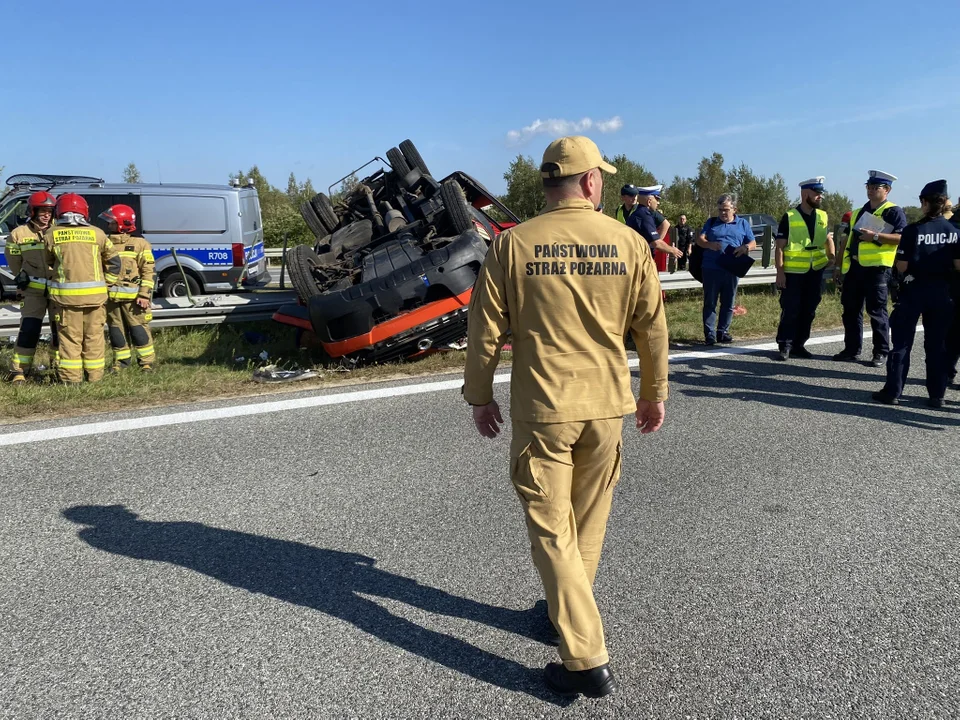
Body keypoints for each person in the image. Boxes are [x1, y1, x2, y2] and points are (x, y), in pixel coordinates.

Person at [462, 135, 669, 699]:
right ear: (591, 181)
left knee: (552, 528)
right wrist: (654, 392)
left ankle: (584, 657)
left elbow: (484, 330)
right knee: (587, 523)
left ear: (549, 184)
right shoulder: (628, 242)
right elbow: (651, 326)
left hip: (544, 407)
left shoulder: (513, 245)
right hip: (606, 406)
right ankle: (564, 613)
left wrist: (480, 396)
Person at [872, 180, 959, 407]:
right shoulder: (955, 231)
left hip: (914, 290)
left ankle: (893, 392)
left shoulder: (913, 231)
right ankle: (937, 395)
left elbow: (901, 266)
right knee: (937, 344)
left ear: (924, 202)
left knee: (902, 343)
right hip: (943, 293)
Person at [832, 170, 907, 367]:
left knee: (877, 311)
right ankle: (851, 349)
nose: (871, 191)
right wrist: (838, 266)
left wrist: (875, 236)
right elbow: (845, 241)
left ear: (887, 190)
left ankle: (881, 351)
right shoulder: (858, 212)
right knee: (850, 310)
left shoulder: (893, 211)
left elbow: (901, 238)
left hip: (877, 270)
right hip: (855, 267)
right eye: (869, 187)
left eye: (876, 188)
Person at [44, 193, 121, 384]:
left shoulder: (51, 234)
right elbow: (114, 263)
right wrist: (107, 284)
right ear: (85, 212)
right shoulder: (98, 234)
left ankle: (71, 381)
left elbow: (47, 262)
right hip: (96, 299)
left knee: (70, 340)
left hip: (66, 301)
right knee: (94, 338)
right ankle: (95, 378)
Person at [774, 177, 835, 360]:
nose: (819, 196)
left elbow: (827, 239)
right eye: (816, 193)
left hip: (815, 271)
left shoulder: (822, 215)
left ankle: (799, 344)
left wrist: (831, 256)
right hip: (793, 273)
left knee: (809, 310)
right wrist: (780, 272)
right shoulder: (790, 216)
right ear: (805, 193)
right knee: (791, 309)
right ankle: (785, 344)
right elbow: (779, 247)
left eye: (820, 193)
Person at [6, 191, 58, 383]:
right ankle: (19, 371)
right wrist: (21, 282)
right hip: (33, 291)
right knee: (29, 329)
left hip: (57, 291)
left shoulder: (59, 231)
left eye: (49, 211)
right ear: (32, 211)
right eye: (42, 211)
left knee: (59, 330)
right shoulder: (18, 234)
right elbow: (14, 262)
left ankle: (58, 368)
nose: (46, 215)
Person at [99, 205, 157, 372]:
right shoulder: (105, 242)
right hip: (110, 297)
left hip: (134, 299)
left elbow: (148, 270)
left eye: (111, 223)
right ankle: (121, 363)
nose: (108, 226)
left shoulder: (140, 243)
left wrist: (144, 295)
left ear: (122, 224)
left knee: (139, 329)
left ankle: (146, 362)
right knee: (116, 331)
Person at [696, 194, 756, 344]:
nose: (723, 213)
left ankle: (723, 332)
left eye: (726, 210)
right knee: (710, 301)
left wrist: (745, 247)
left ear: (734, 209)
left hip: (731, 267)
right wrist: (709, 244)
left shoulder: (742, 224)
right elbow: (700, 239)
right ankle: (709, 334)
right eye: (720, 209)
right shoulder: (711, 222)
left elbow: (753, 242)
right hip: (711, 267)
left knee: (728, 302)